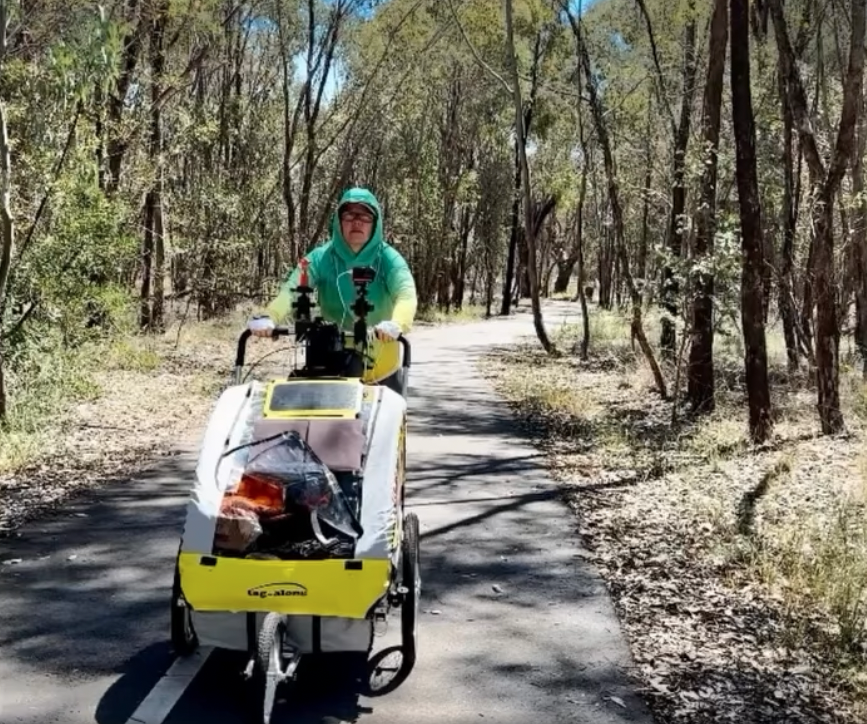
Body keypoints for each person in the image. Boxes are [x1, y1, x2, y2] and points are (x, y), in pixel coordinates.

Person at [248, 187, 417, 394]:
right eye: (349, 215)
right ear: (339, 221)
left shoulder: (389, 259)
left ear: (375, 223)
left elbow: (406, 294)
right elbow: (292, 289)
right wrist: (270, 316)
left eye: (364, 216)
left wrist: (397, 323)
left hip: (380, 370)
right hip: (331, 367)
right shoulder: (320, 258)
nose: (357, 221)